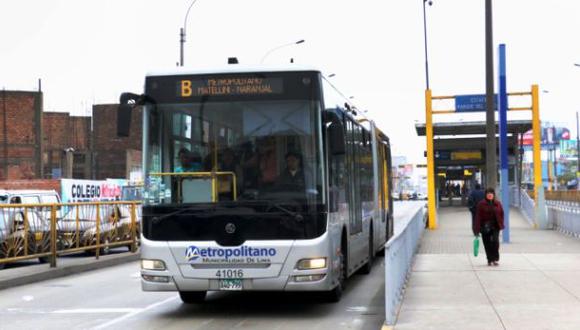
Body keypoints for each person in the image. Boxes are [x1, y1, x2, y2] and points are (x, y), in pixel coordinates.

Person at [474, 188, 505, 266]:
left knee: (495, 242)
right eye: (488, 193)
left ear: (494, 195)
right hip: (485, 227)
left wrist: (501, 223)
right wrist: (477, 230)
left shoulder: (498, 203)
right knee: (487, 243)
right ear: (486, 195)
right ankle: (489, 259)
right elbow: (478, 217)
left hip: (495, 226)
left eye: (491, 193)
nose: (490, 195)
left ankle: (495, 258)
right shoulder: (481, 204)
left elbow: (502, 213)